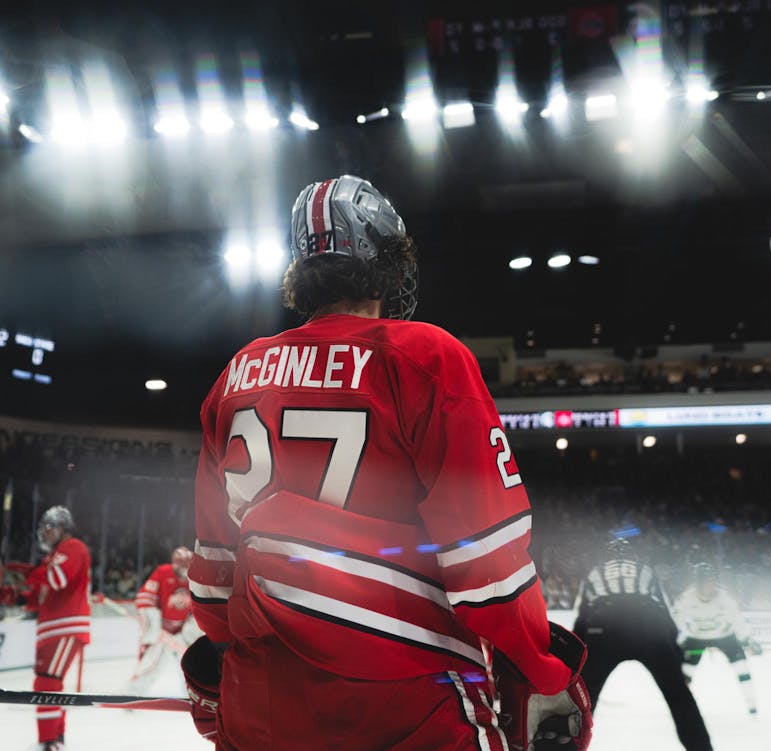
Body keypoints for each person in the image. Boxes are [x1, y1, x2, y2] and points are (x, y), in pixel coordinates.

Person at [184, 175, 592, 751]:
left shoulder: (238, 374)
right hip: (406, 696)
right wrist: (542, 668)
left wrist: (238, 663)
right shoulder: (426, 356)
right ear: (387, 261)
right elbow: (488, 568)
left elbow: (213, 579)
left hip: (262, 703)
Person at [572, 538, 713, 751]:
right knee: (679, 696)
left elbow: (582, 617)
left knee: (583, 699)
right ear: (632, 557)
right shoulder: (645, 570)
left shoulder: (595, 572)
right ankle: (701, 748)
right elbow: (665, 612)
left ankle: (569, 747)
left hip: (604, 625)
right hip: (648, 626)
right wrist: (676, 658)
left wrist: (577, 665)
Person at [0, 506, 91, 751]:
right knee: (48, 684)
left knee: (47, 683)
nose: (45, 532)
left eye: (50, 527)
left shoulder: (73, 547)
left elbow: (57, 579)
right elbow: (38, 597)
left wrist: (28, 572)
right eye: (44, 528)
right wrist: (10, 595)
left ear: (64, 528)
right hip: (51, 629)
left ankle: (49, 741)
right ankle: (54, 739)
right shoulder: (51, 559)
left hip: (65, 627)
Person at [674, 563, 761, 716]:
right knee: (686, 673)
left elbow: (737, 619)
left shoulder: (724, 597)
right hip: (697, 639)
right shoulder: (686, 598)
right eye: (707, 581)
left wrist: (748, 638)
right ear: (699, 583)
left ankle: (752, 706)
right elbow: (676, 619)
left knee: (742, 668)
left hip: (725, 637)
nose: (711, 585)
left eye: (713, 581)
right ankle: (681, 706)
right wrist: (676, 639)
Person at [125, 546, 202, 696]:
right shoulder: (162, 572)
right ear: (175, 565)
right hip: (161, 631)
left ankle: (192, 697)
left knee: (190, 667)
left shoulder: (196, 578)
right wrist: (154, 628)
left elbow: (200, 606)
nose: (185, 573)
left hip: (183, 632)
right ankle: (131, 696)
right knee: (151, 665)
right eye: (182, 568)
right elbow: (145, 598)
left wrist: (190, 630)